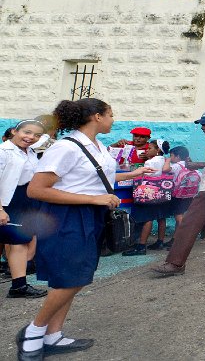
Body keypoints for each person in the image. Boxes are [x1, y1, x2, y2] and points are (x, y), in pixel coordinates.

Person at [17, 98, 151, 359]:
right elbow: (36, 190)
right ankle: (33, 332)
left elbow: (95, 178)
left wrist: (134, 175)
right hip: (68, 216)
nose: (114, 120)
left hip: (92, 215)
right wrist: (93, 199)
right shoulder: (66, 148)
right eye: (110, 115)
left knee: (79, 275)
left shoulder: (98, 147)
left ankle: (53, 336)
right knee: (71, 278)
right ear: (96, 117)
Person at [151, 111, 205, 276]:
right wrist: (196, 165)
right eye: (201, 124)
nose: (203, 127)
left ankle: (175, 263)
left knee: (188, 222)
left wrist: (199, 164)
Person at [0, 120, 47, 298]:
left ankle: (19, 286)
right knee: (16, 242)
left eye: (36, 135)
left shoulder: (31, 152)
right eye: (26, 133)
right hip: (8, 201)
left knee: (18, 242)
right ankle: (18, 286)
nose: (30, 138)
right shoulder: (3, 152)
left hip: (24, 199)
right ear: (14, 131)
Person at [122, 139, 171, 255]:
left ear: (158, 150)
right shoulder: (164, 160)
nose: (147, 151)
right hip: (162, 193)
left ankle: (141, 246)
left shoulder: (150, 162)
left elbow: (145, 176)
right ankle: (160, 241)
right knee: (161, 217)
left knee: (147, 218)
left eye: (149, 148)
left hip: (149, 193)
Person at [164, 146, 193, 246]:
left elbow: (165, 169)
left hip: (179, 194)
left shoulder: (177, 165)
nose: (170, 158)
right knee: (180, 216)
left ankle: (181, 240)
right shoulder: (190, 164)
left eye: (171, 156)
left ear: (178, 156)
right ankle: (175, 239)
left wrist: (167, 161)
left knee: (179, 217)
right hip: (189, 194)